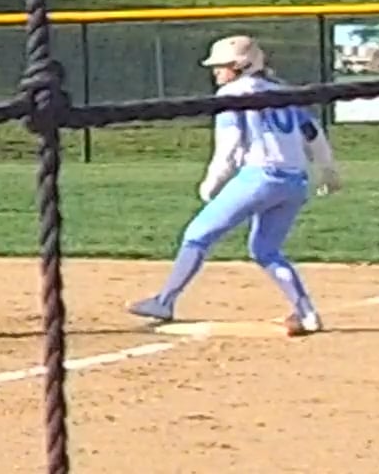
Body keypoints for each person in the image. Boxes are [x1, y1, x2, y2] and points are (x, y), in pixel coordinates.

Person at [126, 35, 341, 335]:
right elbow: (313, 134)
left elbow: (229, 146)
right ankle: (307, 314)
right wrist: (328, 171)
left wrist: (212, 181)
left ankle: (164, 302)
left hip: (260, 176)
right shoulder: (284, 92)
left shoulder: (232, 94)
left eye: (222, 66)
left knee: (197, 236)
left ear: (241, 66)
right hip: (295, 181)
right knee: (266, 250)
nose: (216, 72)